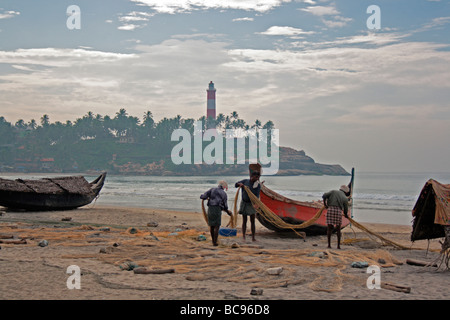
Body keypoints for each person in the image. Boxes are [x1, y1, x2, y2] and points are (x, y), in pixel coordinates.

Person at [200, 180, 232, 246]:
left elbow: (204, 196)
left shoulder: (212, 190)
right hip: (217, 209)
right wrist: (228, 212)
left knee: (211, 225)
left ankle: (213, 241)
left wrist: (202, 196)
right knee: (217, 226)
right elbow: (225, 205)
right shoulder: (224, 194)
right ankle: (215, 241)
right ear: (224, 187)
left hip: (210, 208)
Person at [235, 169, 261, 242]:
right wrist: (239, 184)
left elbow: (257, 195)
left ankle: (253, 237)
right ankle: (243, 237)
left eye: (258, 177)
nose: (257, 179)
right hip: (244, 203)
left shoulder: (257, 185)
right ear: (251, 176)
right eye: (256, 177)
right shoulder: (245, 181)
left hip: (251, 204)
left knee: (252, 221)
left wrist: (256, 203)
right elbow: (236, 184)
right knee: (244, 220)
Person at [322, 185, 349, 249]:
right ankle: (338, 246)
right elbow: (345, 209)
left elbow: (324, 196)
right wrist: (346, 215)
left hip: (330, 209)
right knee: (338, 229)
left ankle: (329, 245)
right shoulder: (345, 198)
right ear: (345, 192)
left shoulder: (333, 192)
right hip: (338, 211)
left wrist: (325, 204)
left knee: (329, 228)